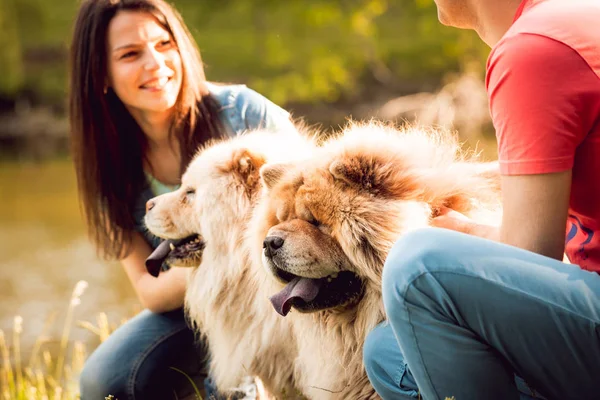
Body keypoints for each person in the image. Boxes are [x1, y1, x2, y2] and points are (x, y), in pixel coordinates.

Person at [363, 0, 600, 399]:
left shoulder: (532, 50)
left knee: (418, 267)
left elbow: (532, 254)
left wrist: (462, 230)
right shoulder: (572, 19)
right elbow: (552, 166)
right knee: (389, 354)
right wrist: (441, 181)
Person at [68, 1, 294, 399]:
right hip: (194, 303)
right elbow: (150, 289)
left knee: (233, 388)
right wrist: (218, 265)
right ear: (100, 73)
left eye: (163, 43)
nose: (155, 63)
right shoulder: (105, 163)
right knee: (103, 381)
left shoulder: (243, 113)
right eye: (130, 54)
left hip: (279, 294)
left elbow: (314, 210)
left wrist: (235, 259)